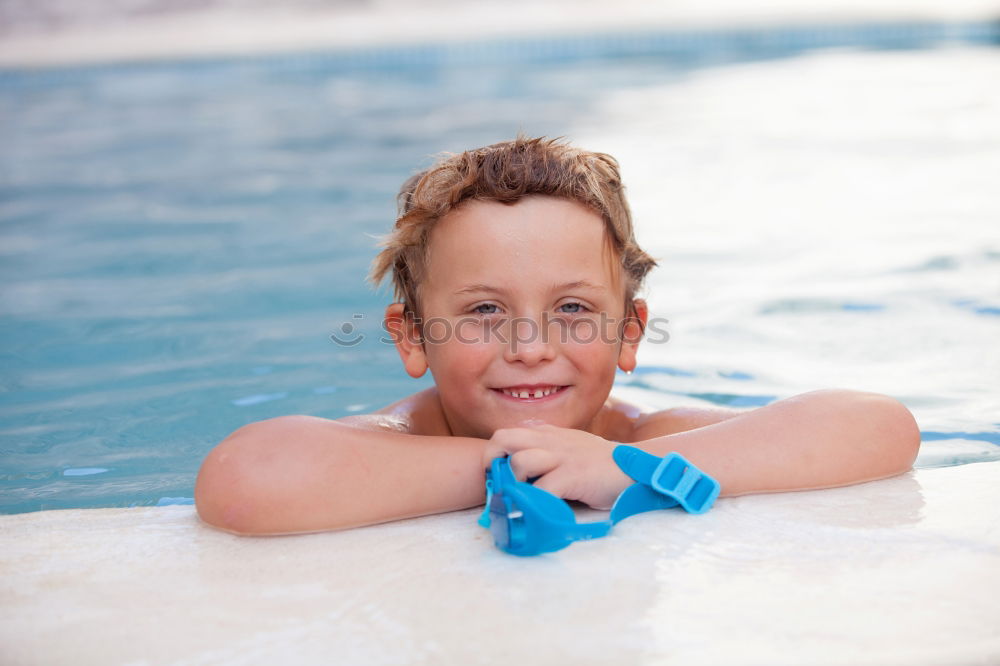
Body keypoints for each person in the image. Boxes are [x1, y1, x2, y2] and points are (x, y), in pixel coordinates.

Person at [194, 136, 920, 536]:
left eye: (573, 308)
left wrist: (620, 466)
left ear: (629, 334)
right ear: (413, 337)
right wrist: (527, 467)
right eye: (482, 312)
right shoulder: (395, 441)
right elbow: (245, 481)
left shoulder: (641, 435)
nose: (531, 346)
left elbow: (876, 426)